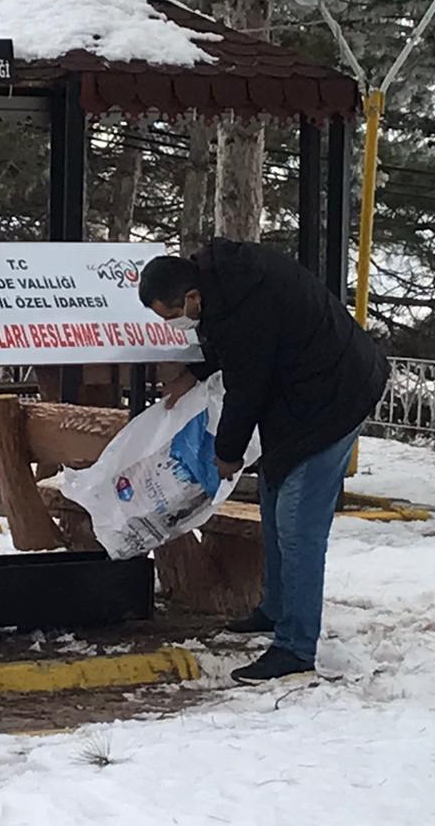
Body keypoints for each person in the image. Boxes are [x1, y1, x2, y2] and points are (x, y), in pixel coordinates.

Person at [139, 238, 388, 683]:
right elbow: (227, 347)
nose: (175, 324)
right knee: (274, 498)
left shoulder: (245, 302)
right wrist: (194, 375)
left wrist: (226, 455)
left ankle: (295, 646)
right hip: (301, 397)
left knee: (298, 523)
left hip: (336, 399)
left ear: (191, 296)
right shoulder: (222, 287)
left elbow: (247, 387)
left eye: (173, 315)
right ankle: (275, 608)